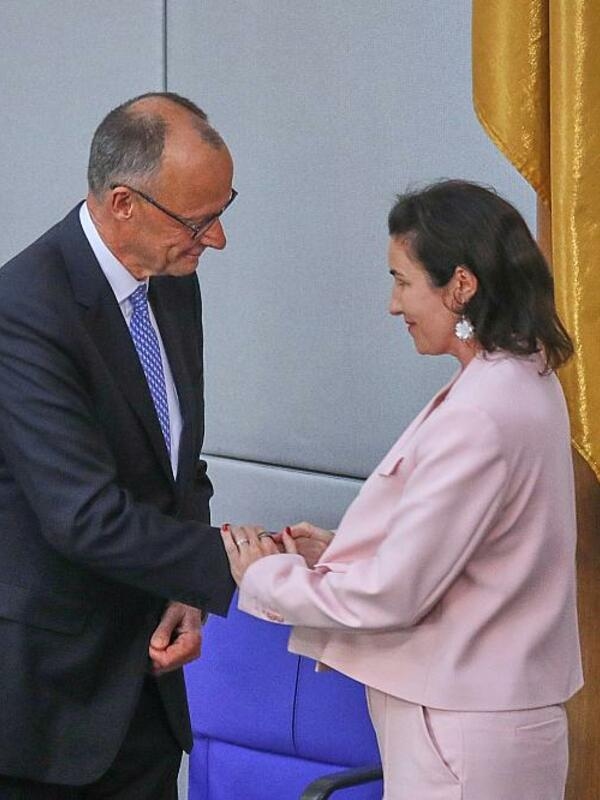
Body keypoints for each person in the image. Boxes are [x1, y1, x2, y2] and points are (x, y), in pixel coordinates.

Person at [222, 180, 583, 800]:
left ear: (460, 285)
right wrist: (340, 550)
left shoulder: (483, 408)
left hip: (462, 734)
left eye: (403, 280)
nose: (394, 304)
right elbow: (477, 550)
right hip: (478, 725)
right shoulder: (520, 380)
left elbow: (394, 593)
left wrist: (266, 578)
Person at [0, 92, 237, 799]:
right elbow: (83, 516)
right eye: (200, 220)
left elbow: (177, 465)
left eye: (223, 211)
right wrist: (236, 560)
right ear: (124, 203)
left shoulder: (171, 279)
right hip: (47, 710)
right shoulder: (25, 309)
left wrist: (185, 589)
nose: (217, 239)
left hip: (145, 692)